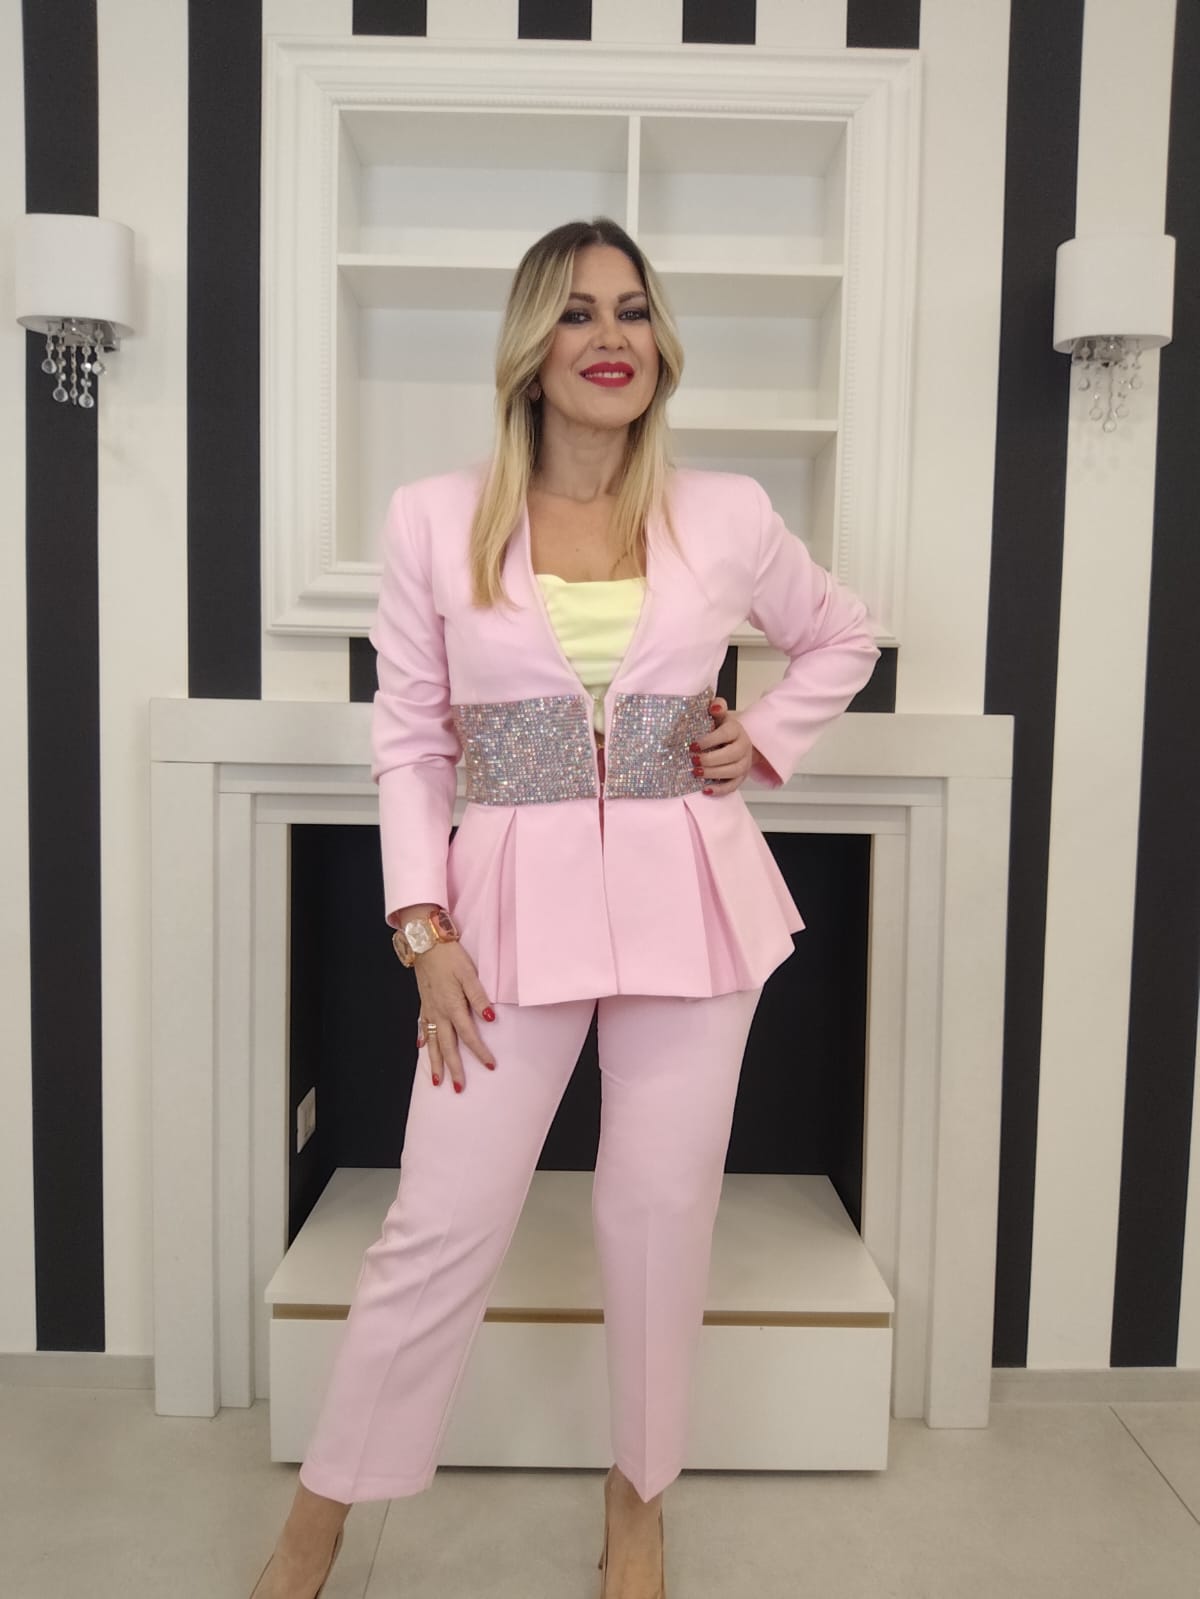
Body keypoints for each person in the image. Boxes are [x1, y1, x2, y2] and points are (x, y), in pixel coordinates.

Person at [249, 216, 880, 1599]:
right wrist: (421, 928)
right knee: (436, 1225)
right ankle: (314, 1530)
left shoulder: (726, 512)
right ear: (533, 348)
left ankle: (637, 1505)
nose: (611, 338)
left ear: (661, 344)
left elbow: (843, 633)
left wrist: (764, 738)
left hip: (692, 905)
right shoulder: (435, 517)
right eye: (580, 312)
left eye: (633, 311)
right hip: (501, 919)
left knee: (659, 1221)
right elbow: (411, 743)